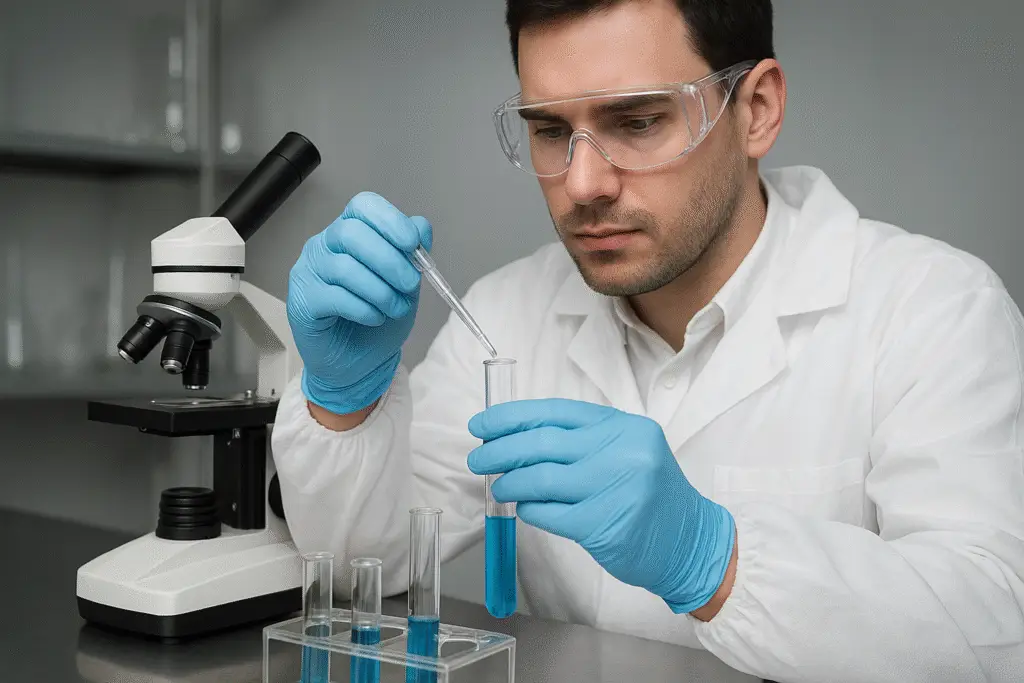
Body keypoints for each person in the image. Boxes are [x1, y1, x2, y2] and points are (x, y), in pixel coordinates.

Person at [271, 0, 1024, 680]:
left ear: (756, 109)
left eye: (637, 122)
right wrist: (344, 403)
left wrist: (716, 560)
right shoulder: (506, 314)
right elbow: (366, 564)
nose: (584, 184)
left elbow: (995, 628)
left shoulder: (931, 309)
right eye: (550, 131)